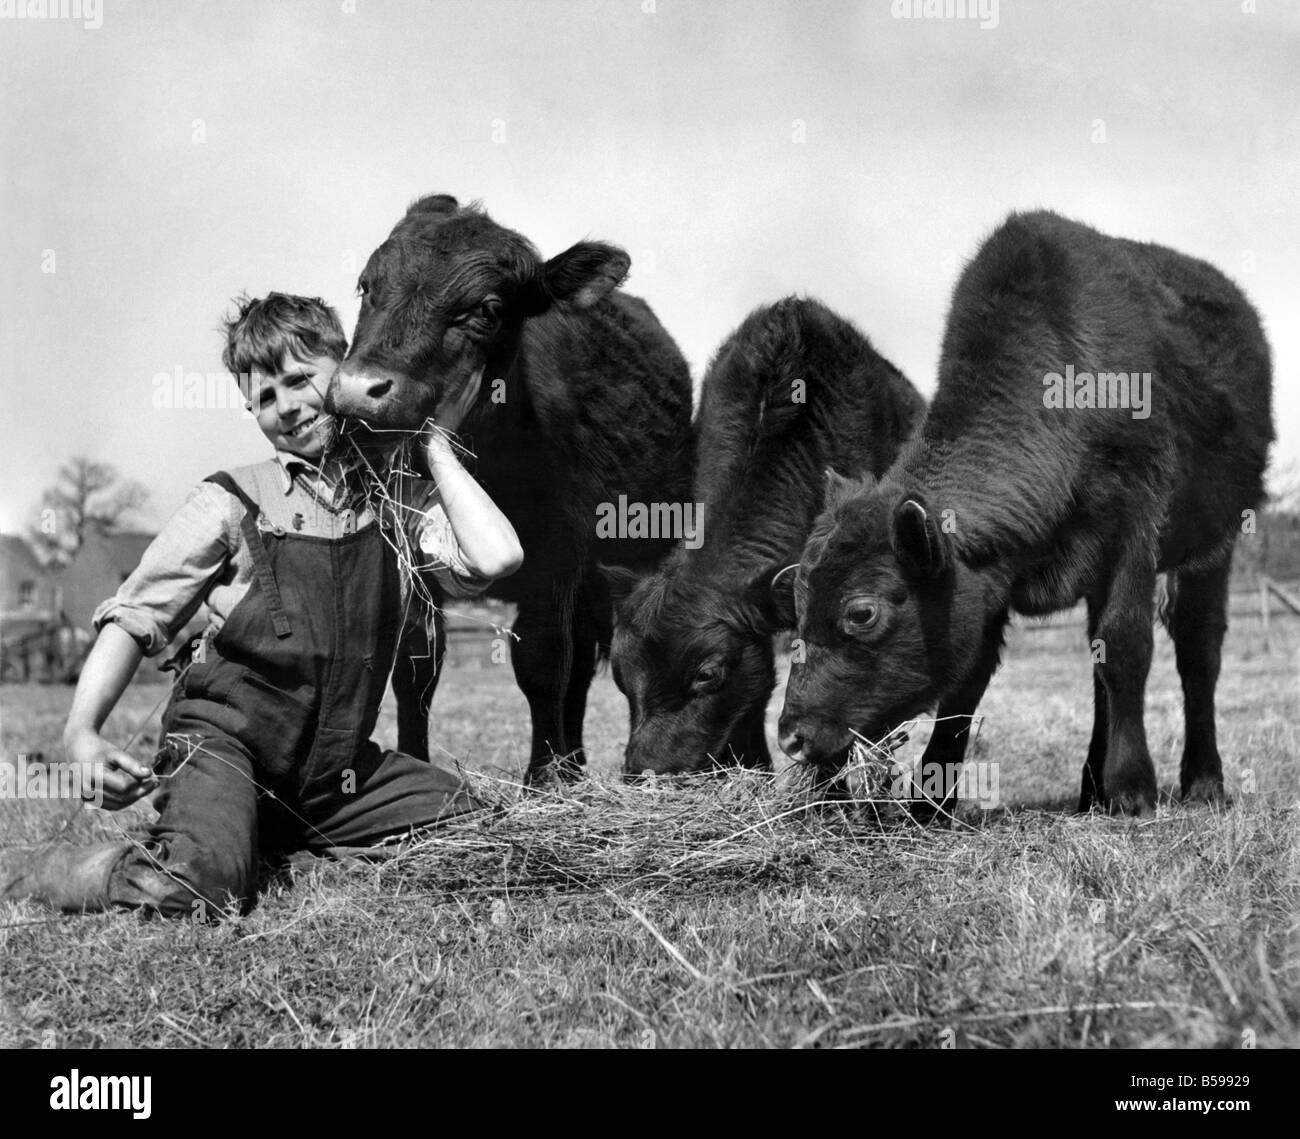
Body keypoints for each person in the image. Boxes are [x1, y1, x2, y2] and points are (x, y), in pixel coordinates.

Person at [1, 293, 522, 917]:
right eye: (265, 398)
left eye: (301, 379)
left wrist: (431, 441)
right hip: (227, 748)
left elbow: (497, 558)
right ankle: (59, 871)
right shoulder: (229, 500)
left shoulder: (394, 498)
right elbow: (135, 616)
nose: (288, 407)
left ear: (345, 369)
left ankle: (272, 837)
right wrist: (80, 732)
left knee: (487, 830)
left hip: (336, 774)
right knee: (200, 884)